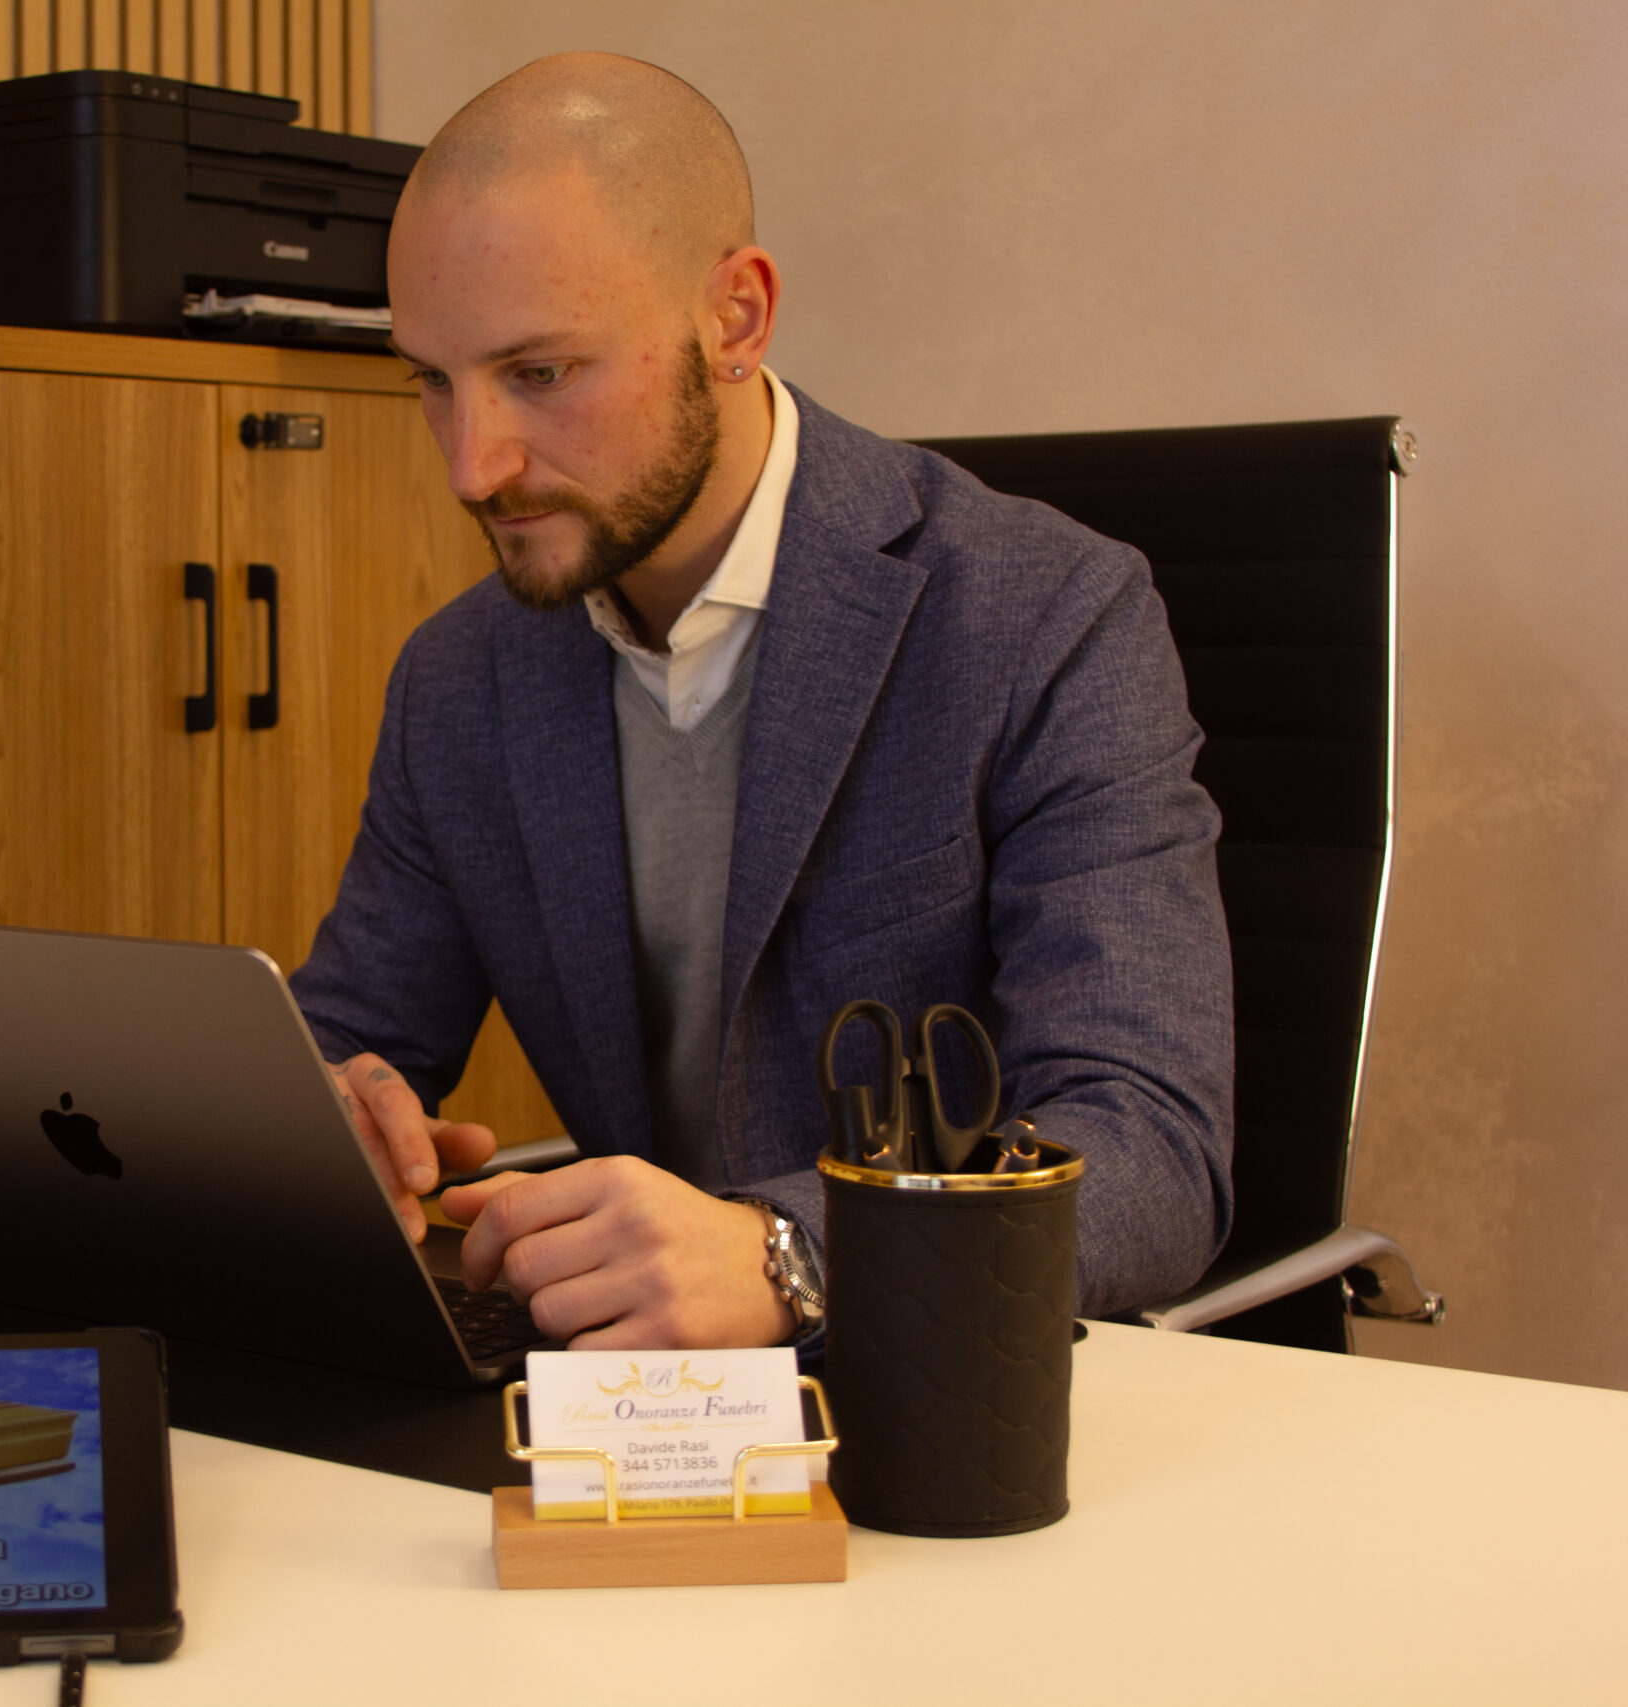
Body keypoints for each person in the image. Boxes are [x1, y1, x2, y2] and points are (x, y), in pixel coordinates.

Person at [289, 53, 1234, 1350]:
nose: (473, 465)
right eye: (433, 381)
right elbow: (351, 1044)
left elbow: (1152, 1150)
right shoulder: (461, 677)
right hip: (638, 1400)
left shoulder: (1046, 616)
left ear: (734, 319)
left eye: (541, 374)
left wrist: (793, 1254)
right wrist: (334, 1119)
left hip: (948, 1387)